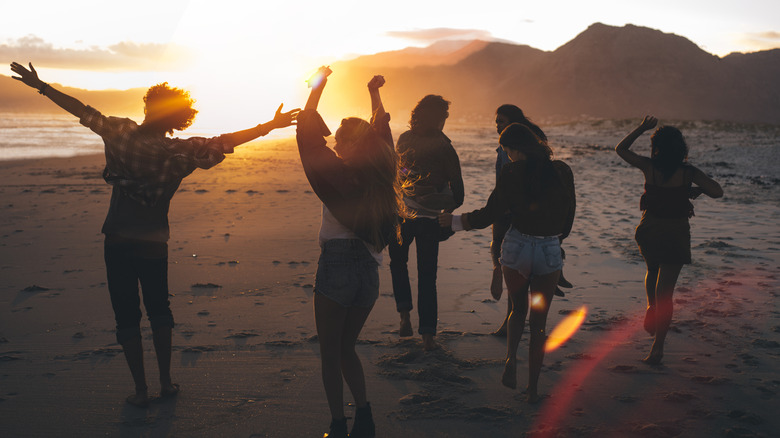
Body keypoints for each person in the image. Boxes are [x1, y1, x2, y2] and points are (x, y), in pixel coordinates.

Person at [9, 62, 299, 408]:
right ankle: (165, 382)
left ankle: (141, 391)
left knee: (126, 315)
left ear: (148, 106)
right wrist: (269, 126)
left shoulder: (121, 133)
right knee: (159, 310)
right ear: (180, 119)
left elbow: (82, 111)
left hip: (117, 238)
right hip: (153, 243)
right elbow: (224, 141)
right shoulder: (180, 152)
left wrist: (42, 86)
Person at [296, 66, 405, 438]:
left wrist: (317, 87)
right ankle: (365, 416)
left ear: (348, 145)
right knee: (347, 348)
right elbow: (382, 133)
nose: (335, 146)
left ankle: (338, 426)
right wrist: (373, 93)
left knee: (331, 353)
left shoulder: (339, 176)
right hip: (369, 275)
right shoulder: (381, 174)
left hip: (337, 268)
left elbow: (309, 139)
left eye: (340, 141)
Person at [439, 123, 575, 402]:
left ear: (514, 149)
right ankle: (533, 389)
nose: (506, 156)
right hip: (548, 250)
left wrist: (455, 221)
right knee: (539, 324)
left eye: (506, 151)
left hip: (518, 250)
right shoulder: (562, 170)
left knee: (517, 308)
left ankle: (511, 360)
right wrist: (556, 241)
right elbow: (569, 213)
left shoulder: (511, 172)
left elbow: (491, 212)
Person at [615, 115, 722, 365]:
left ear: (656, 148)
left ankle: (651, 308)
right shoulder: (688, 173)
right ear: (681, 149)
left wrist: (642, 127)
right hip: (675, 233)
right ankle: (658, 348)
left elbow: (620, 149)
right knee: (667, 294)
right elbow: (718, 191)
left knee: (652, 270)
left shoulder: (648, 167)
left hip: (649, 228)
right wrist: (698, 189)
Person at [389, 94, 464, 351]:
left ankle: (404, 316)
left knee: (398, 263)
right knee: (427, 277)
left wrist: (414, 184)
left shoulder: (405, 139)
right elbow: (459, 193)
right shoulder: (445, 147)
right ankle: (428, 336)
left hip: (403, 216)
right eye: (443, 116)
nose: (445, 121)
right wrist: (438, 199)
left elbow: (398, 172)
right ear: (436, 117)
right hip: (431, 221)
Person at [490, 105, 569, 337]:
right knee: (504, 254)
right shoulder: (513, 143)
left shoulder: (517, 146)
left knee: (516, 270)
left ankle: (513, 321)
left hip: (518, 210)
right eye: (496, 121)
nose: (497, 125)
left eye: (501, 121)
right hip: (511, 206)